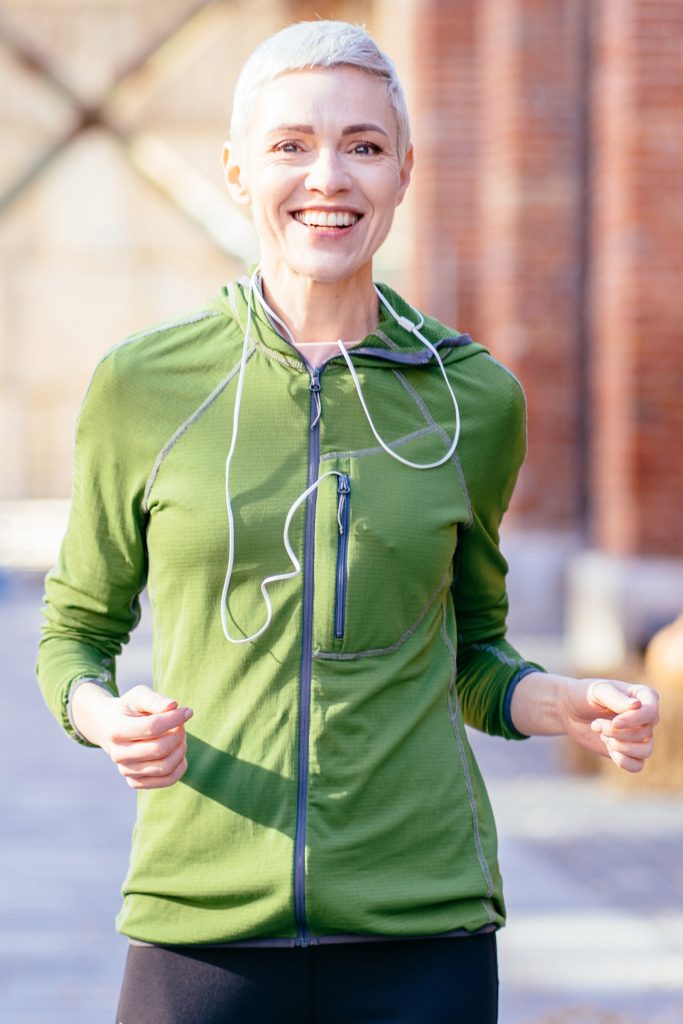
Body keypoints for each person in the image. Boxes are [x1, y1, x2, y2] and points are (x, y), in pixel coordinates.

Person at [36, 19, 660, 1024]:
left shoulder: (471, 399)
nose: (328, 176)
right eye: (291, 144)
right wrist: (108, 720)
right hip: (200, 921)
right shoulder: (142, 386)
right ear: (237, 170)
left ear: (403, 172)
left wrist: (562, 701)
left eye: (362, 146)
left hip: (423, 927)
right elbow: (75, 631)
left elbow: (471, 652)